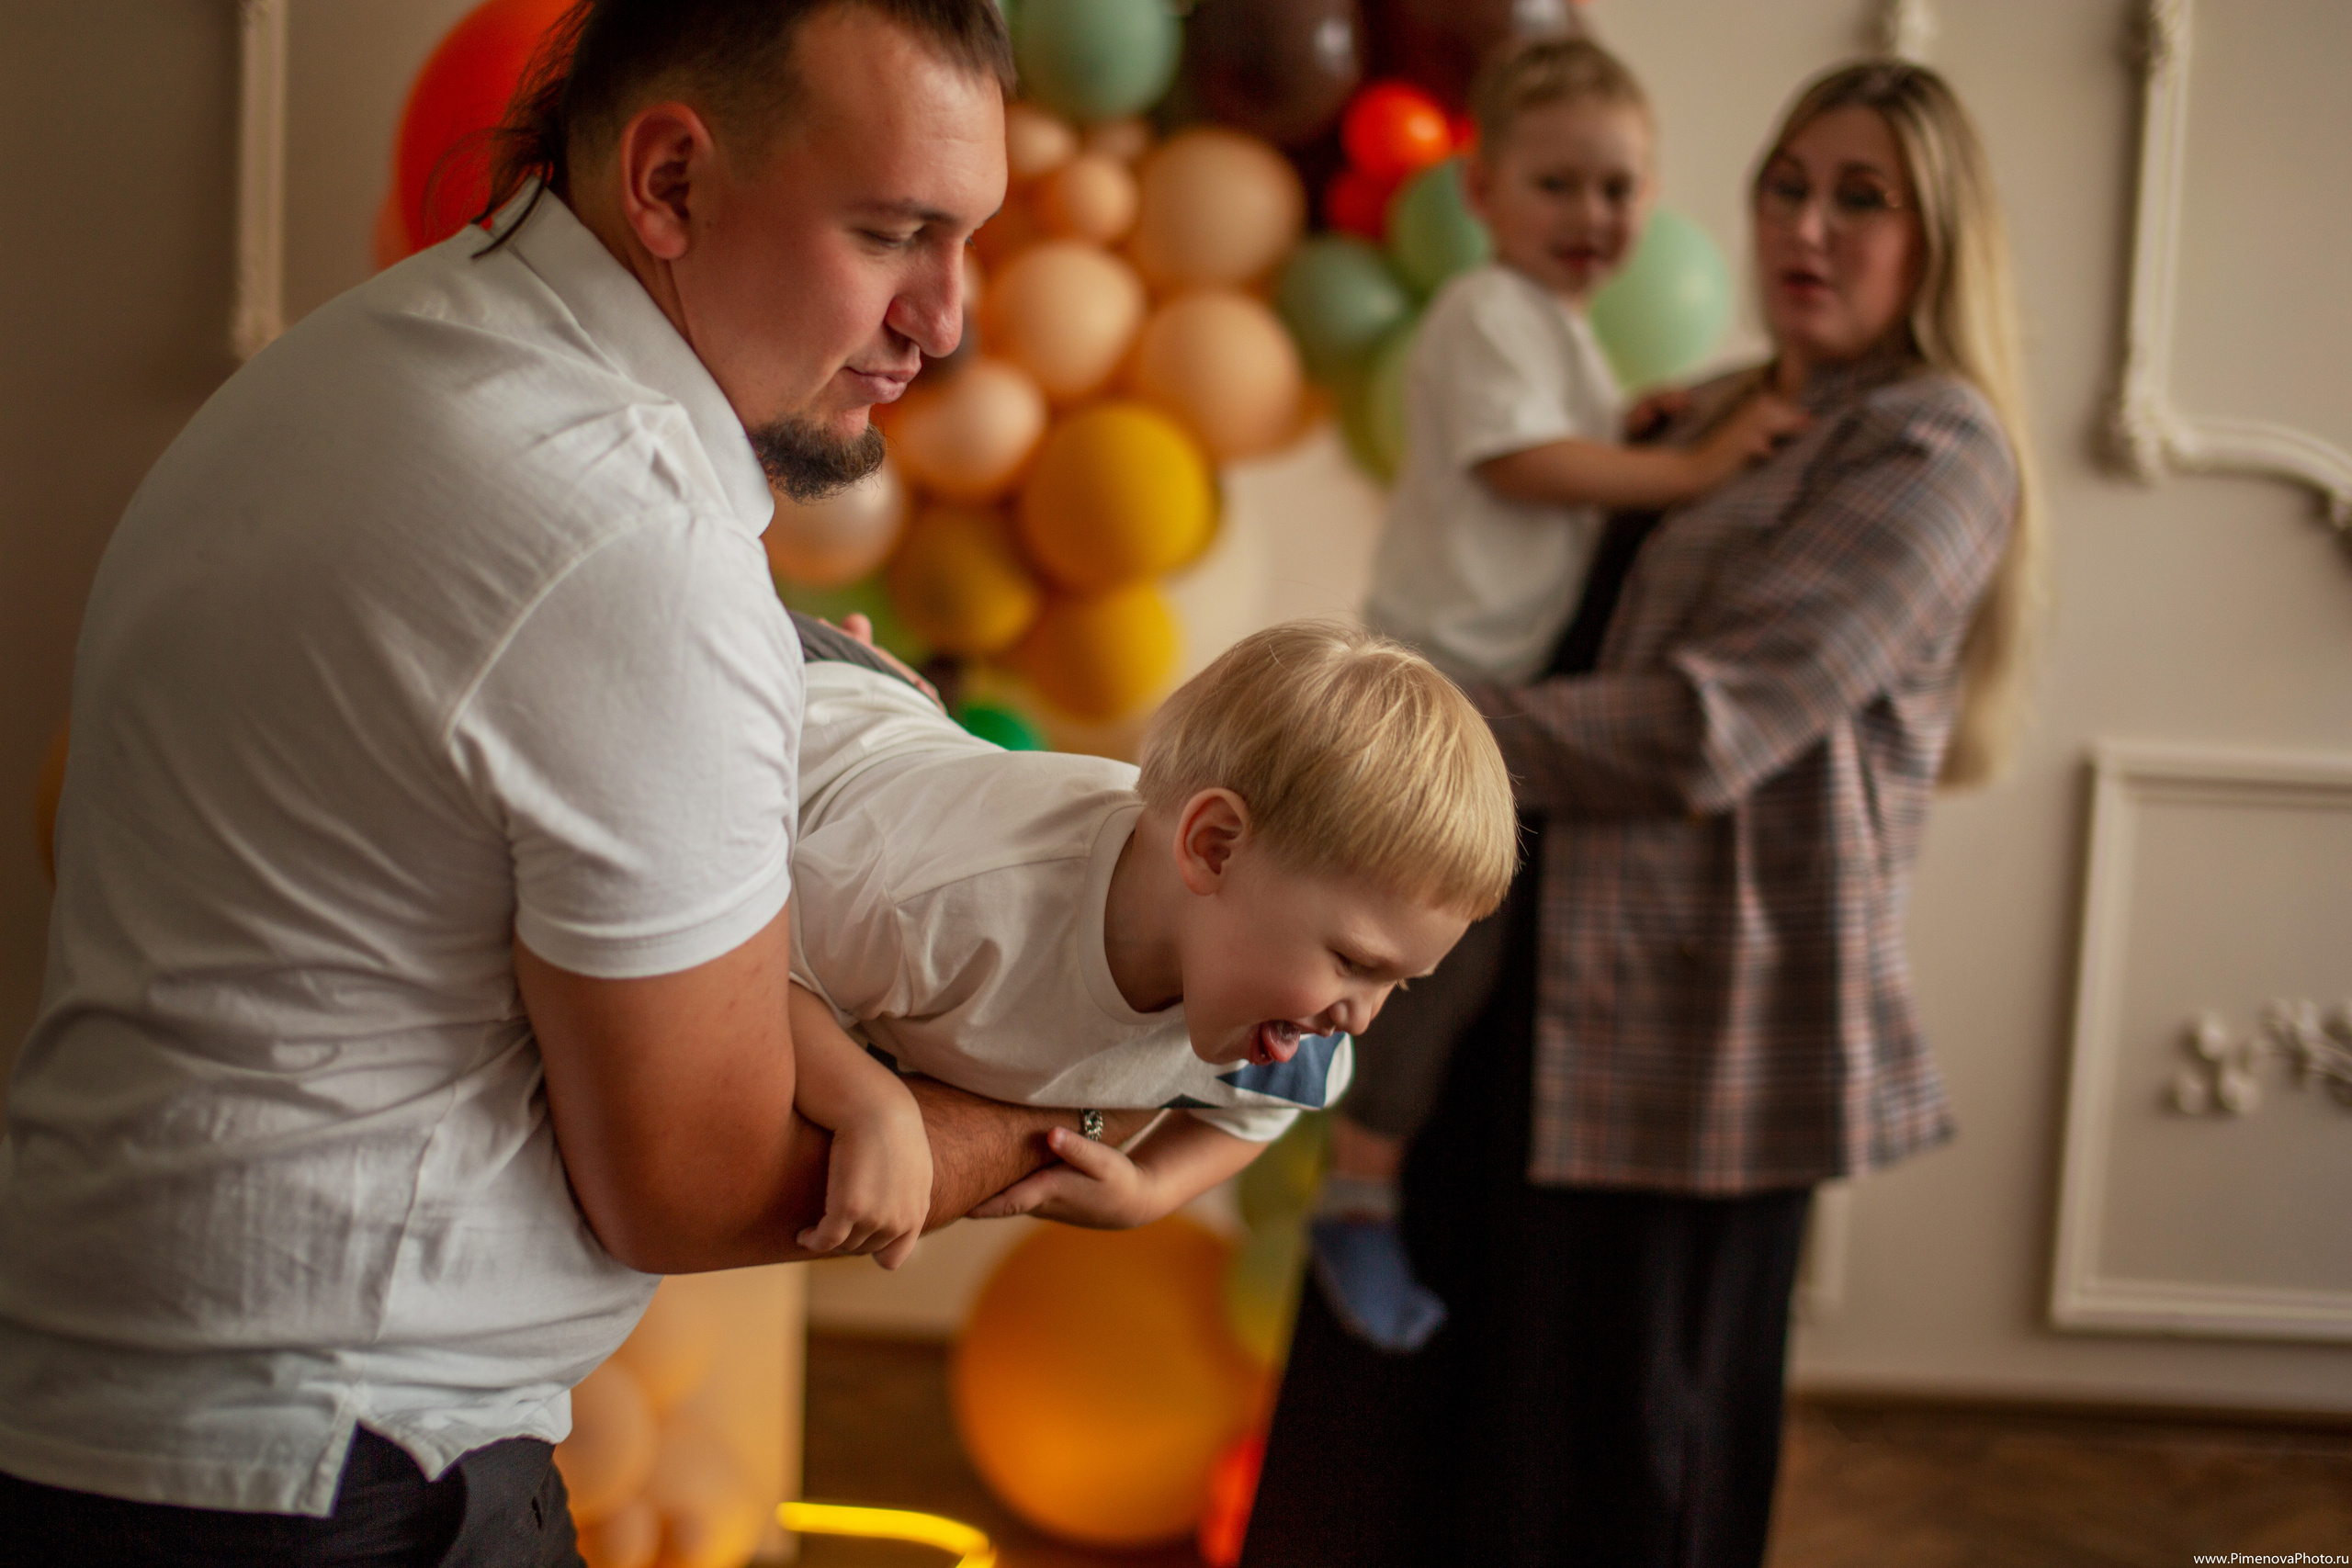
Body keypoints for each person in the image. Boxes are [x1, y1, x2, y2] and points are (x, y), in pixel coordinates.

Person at [0, 3, 1134, 1561]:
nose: (942, 320)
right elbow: (691, 1178)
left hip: (116, 1415)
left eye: (968, 241)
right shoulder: (628, 534)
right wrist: (1077, 1104)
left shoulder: (367, 353)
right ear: (669, 180)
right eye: (893, 235)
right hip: (331, 1469)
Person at [1245, 58, 2042, 1568]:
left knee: (1612, 1468)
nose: (1807, 225)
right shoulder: (1718, 409)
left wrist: (1405, 733)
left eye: (1860, 199)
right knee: (1410, 1442)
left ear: (1939, 238)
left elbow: (1701, 727)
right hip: (1505, 977)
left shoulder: (1931, 448)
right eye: (1788, 186)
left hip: (1693, 1049)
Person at [1334, 36, 1807, 1347]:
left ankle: (1367, 1166)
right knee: (1440, 947)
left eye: (1619, 188)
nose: (1593, 217)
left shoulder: (1554, 328)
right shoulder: (1485, 312)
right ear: (1481, 194)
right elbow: (1528, 468)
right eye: (1559, 185)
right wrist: (1694, 470)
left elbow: (1585, 438)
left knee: (1462, 945)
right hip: (1448, 674)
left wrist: (1647, 426)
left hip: (1503, 680)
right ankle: (1355, 1193)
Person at [779, 619, 1518, 1269]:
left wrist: (1150, 1189)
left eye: (1402, 982)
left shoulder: (1287, 1025)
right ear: (1215, 846)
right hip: (807, 709)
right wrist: (871, 1103)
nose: (1360, 1017)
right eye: (1354, 962)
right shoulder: (956, 897)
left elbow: (1257, 1117)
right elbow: (763, 962)